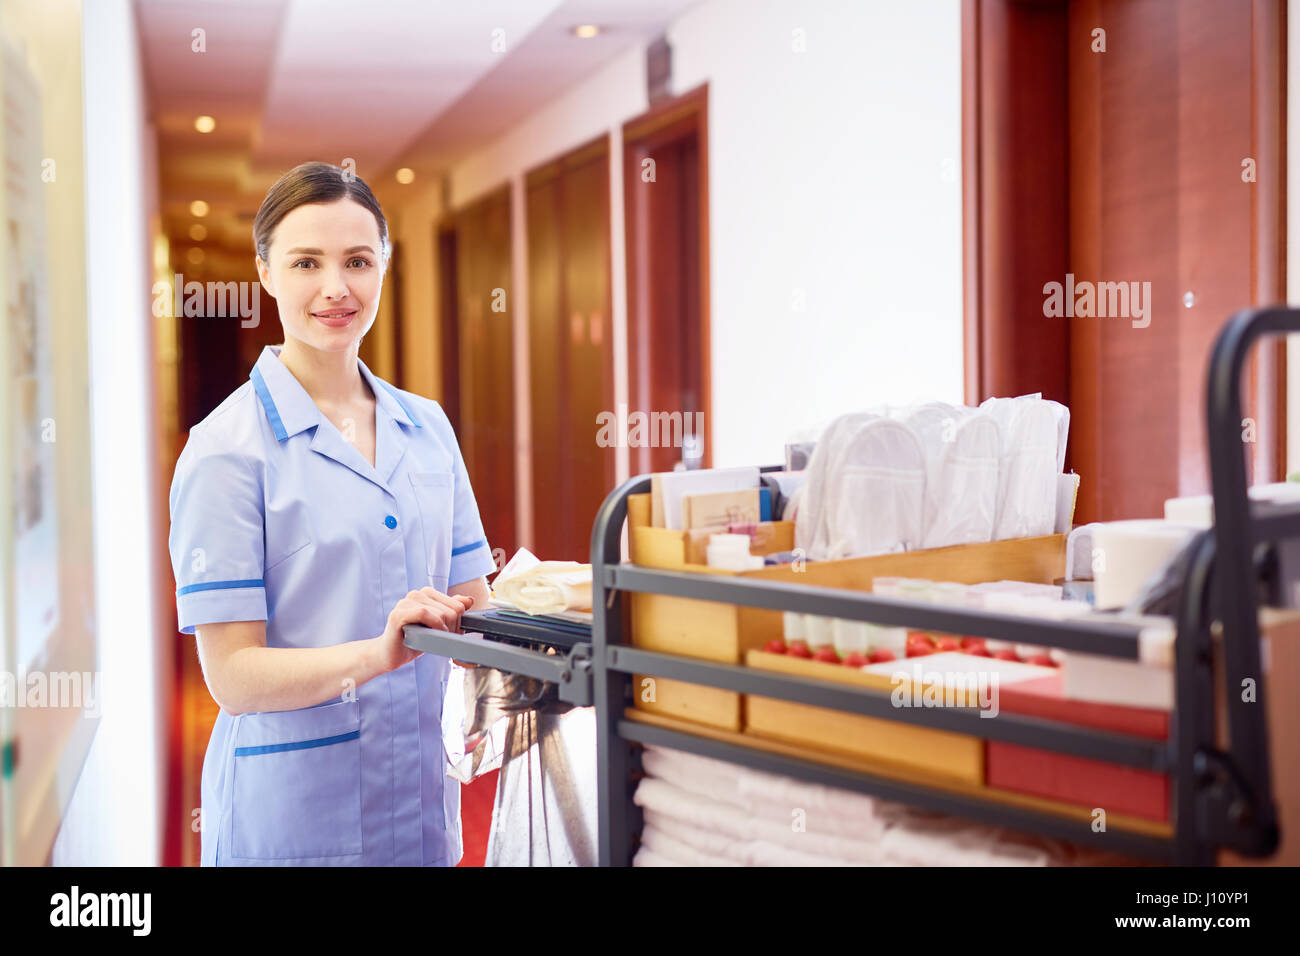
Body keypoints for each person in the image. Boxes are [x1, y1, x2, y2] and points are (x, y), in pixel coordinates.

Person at [168, 161, 496, 866]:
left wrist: (550, 626)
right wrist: (379, 655)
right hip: (295, 817)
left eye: (357, 260)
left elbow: (472, 601)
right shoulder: (225, 451)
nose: (335, 288)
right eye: (306, 262)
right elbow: (232, 676)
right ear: (264, 271)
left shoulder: (428, 428)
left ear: (385, 264)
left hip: (420, 808)